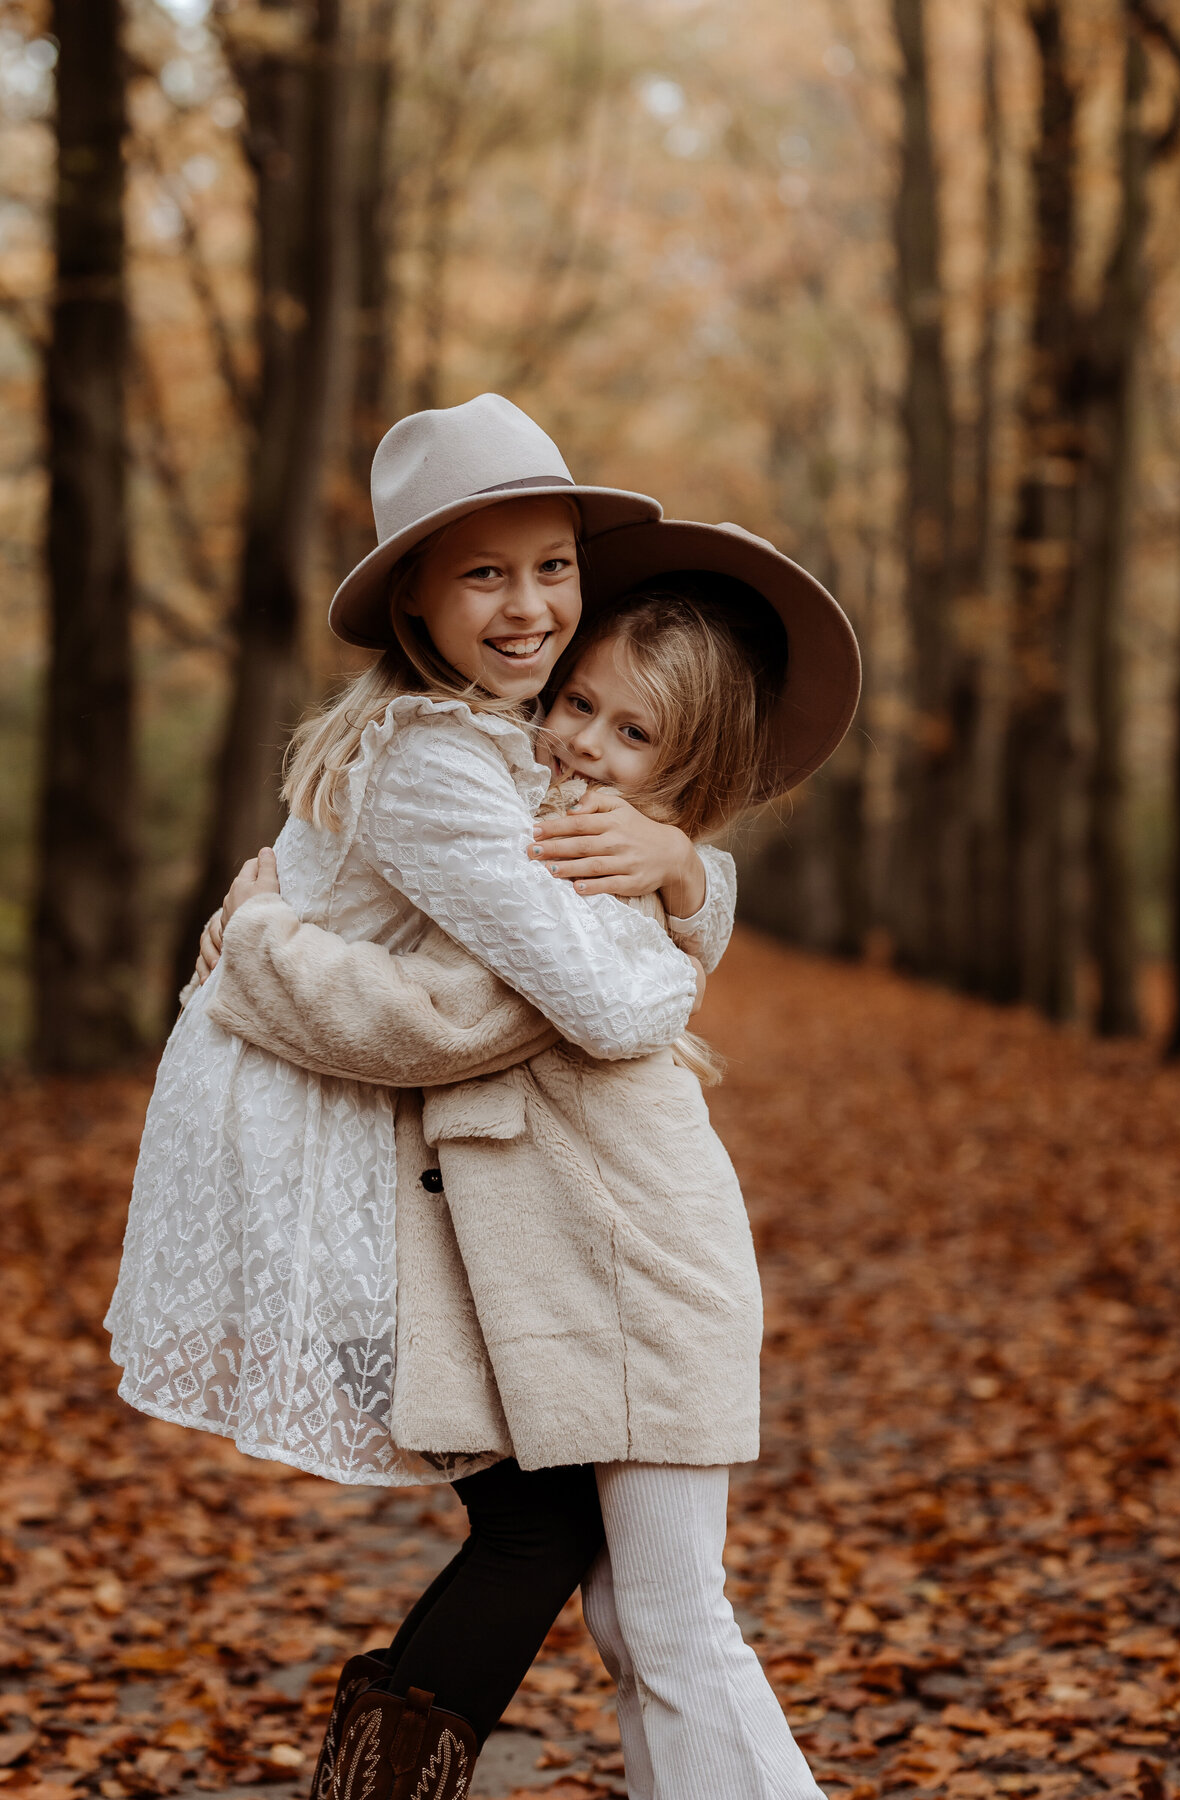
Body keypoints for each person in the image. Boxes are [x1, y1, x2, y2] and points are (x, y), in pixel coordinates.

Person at [106, 397, 752, 1796]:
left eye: (553, 567)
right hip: (328, 1183)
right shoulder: (440, 765)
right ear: (412, 593)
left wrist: (684, 868)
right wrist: (666, 900)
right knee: (536, 1530)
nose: (530, 609)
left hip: (394, 1170)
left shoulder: (492, 744)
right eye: (482, 573)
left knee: (540, 1527)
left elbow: (586, 928)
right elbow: (606, 1000)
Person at [188, 513, 860, 1800]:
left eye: (633, 735)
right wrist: (683, 874)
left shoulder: (576, 852)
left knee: (670, 1624)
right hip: (590, 1272)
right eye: (579, 703)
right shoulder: (547, 824)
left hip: (644, 1272)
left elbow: (463, 1017)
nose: (583, 745)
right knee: (628, 1618)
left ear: (689, 767)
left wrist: (264, 942)